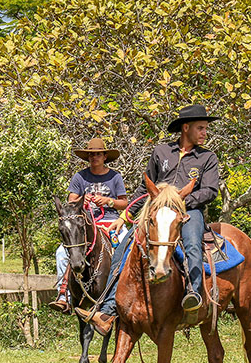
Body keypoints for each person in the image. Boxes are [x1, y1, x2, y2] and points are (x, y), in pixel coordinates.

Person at [76, 104, 220, 332]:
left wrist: (179, 203)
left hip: (188, 211)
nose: (205, 133)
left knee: (193, 244)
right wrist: (125, 215)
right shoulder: (161, 152)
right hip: (154, 213)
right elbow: (145, 189)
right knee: (124, 247)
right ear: (186, 128)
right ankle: (109, 308)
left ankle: (193, 294)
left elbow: (210, 190)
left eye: (205, 128)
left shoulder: (207, 158)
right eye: (201, 128)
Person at [49, 138, 128, 314]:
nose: (94, 157)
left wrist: (108, 201)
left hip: (110, 221)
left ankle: (128, 291)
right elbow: (71, 202)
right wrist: (83, 202)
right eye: (91, 155)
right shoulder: (80, 177)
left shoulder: (115, 177)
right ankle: (64, 295)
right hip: (85, 224)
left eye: (98, 154)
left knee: (128, 246)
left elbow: (124, 203)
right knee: (62, 252)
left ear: (105, 156)